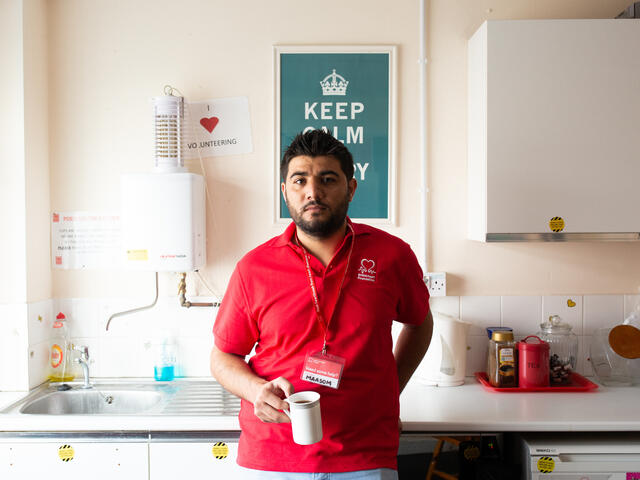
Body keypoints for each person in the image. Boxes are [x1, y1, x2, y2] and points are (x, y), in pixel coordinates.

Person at [210, 129, 433, 480]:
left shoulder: (392, 256)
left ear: (351, 188)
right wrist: (255, 391)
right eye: (299, 180)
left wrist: (390, 389)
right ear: (285, 191)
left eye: (328, 179)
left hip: (365, 454)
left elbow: (420, 322)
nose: (313, 191)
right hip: (273, 455)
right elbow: (223, 356)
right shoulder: (253, 268)